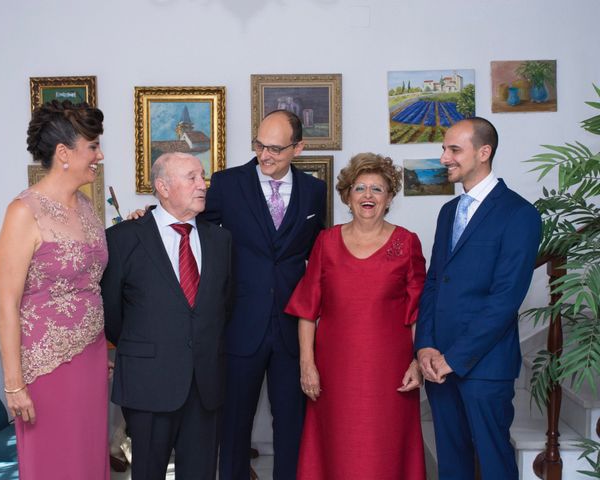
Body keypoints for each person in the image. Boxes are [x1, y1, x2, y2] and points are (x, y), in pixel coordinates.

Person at [284, 153, 427, 479]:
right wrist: (307, 365)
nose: (368, 195)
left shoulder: (407, 243)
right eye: (360, 188)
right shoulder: (326, 242)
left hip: (390, 375)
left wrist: (417, 362)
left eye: (377, 189)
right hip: (334, 373)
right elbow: (307, 309)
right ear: (347, 195)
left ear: (389, 197)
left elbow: (420, 312)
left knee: (384, 451)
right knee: (337, 450)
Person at [201, 110, 327, 480]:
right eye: (259, 145)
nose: (264, 155)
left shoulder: (314, 191)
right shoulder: (226, 184)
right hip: (240, 324)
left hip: (292, 328)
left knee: (292, 424)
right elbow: (197, 237)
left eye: (275, 147)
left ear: (298, 148)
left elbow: (320, 252)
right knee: (234, 424)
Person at [414, 117, 542, 479]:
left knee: (494, 464)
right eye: (444, 148)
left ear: (484, 153)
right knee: (452, 466)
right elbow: (435, 282)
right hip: (438, 364)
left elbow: (505, 299)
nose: (444, 158)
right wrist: (425, 346)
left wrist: (456, 357)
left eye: (454, 149)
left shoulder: (520, 214)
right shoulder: (448, 211)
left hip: (484, 367)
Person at [101, 152, 232, 480]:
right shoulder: (122, 239)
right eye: (192, 177)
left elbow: (223, 306)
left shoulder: (221, 240)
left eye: (202, 177)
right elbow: (112, 312)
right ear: (162, 186)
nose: (203, 185)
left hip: (205, 385)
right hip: (148, 383)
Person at [0, 100, 109, 479]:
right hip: (46, 367)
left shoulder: (87, 206)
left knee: (90, 457)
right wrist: (13, 385)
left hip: (91, 358)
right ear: (64, 153)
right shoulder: (24, 212)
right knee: (56, 462)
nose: (99, 154)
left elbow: (89, 281)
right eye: (92, 146)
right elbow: (7, 304)